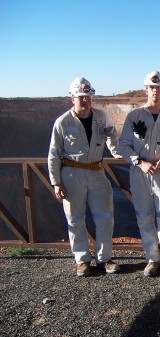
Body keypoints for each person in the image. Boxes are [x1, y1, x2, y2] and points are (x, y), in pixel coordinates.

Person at [48, 77, 121, 277]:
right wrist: (56, 182)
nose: (85, 100)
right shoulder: (63, 122)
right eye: (81, 97)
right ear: (72, 98)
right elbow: (54, 153)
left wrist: (115, 151)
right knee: (75, 218)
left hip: (97, 172)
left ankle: (104, 258)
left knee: (105, 217)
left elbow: (111, 135)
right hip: (72, 174)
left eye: (88, 96)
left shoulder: (101, 116)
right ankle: (82, 260)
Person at [119, 71, 160, 282]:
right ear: (146, 90)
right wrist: (140, 161)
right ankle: (152, 258)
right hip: (140, 173)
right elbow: (124, 145)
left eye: (159, 87)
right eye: (151, 87)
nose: (155, 91)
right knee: (144, 216)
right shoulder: (134, 117)